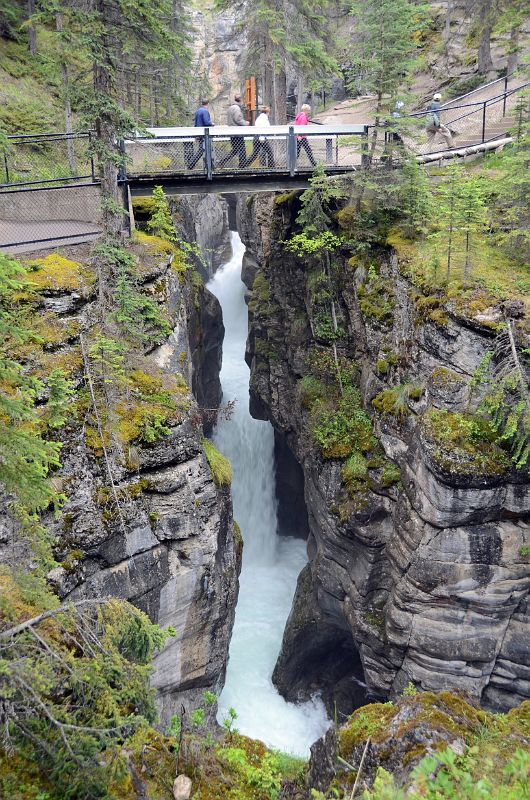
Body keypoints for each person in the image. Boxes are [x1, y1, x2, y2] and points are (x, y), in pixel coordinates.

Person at [218, 93, 249, 168]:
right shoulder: (237, 108)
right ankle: (242, 165)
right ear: (240, 99)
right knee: (242, 148)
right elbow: (238, 119)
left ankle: (222, 161)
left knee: (235, 150)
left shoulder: (230, 108)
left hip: (232, 132)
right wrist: (246, 123)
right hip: (237, 132)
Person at [187, 99, 214, 169]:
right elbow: (206, 122)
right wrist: (212, 124)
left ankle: (207, 166)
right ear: (207, 104)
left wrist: (196, 135)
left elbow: (196, 123)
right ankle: (191, 164)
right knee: (203, 150)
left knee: (203, 149)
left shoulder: (198, 111)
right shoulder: (205, 111)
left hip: (199, 133)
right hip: (204, 134)